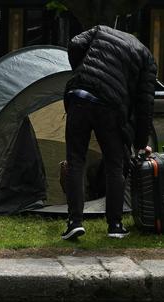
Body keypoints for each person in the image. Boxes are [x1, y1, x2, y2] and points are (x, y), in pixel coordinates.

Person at [61, 25, 157, 240]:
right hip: (110, 106)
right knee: (115, 164)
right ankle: (115, 225)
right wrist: (141, 143)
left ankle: (74, 222)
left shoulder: (101, 30)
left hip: (78, 95)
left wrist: (80, 70)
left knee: (76, 160)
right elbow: (145, 105)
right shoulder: (147, 58)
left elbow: (75, 43)